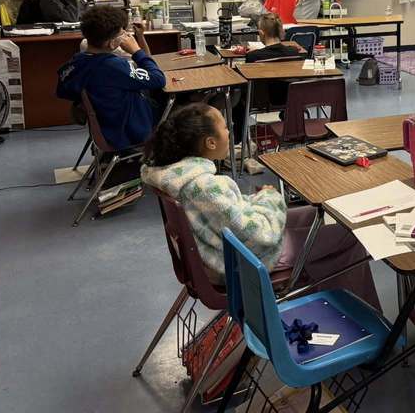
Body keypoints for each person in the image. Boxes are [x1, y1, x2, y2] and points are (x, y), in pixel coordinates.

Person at [141, 103, 380, 308]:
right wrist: (269, 198)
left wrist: (261, 200)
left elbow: (229, 215)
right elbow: (258, 235)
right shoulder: (205, 186)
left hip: (225, 252)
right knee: (350, 235)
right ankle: (359, 315)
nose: (229, 130)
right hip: (243, 262)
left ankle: (323, 301)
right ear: (210, 143)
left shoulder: (178, 176)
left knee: (318, 214)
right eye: (224, 126)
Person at [57, 5, 166, 151]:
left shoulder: (77, 62)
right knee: (180, 102)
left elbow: (62, 90)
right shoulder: (113, 66)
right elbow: (158, 79)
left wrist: (140, 38)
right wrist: (136, 51)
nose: (125, 36)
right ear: (112, 42)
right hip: (129, 131)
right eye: (122, 33)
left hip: (107, 127)